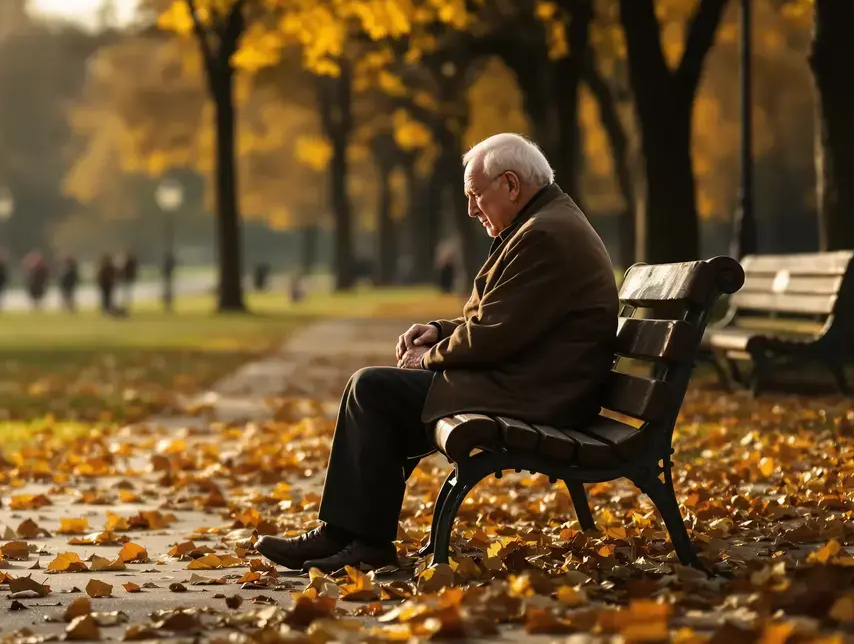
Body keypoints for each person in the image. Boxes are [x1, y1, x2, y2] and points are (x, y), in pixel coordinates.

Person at [253, 133, 619, 573]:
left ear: (510, 184)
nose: (471, 209)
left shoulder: (544, 234)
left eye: (475, 194)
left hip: (541, 393)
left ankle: (358, 538)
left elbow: (493, 336)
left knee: (372, 389)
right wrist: (439, 331)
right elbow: (504, 319)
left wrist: (426, 358)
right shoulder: (544, 223)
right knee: (376, 391)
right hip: (535, 380)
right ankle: (347, 534)